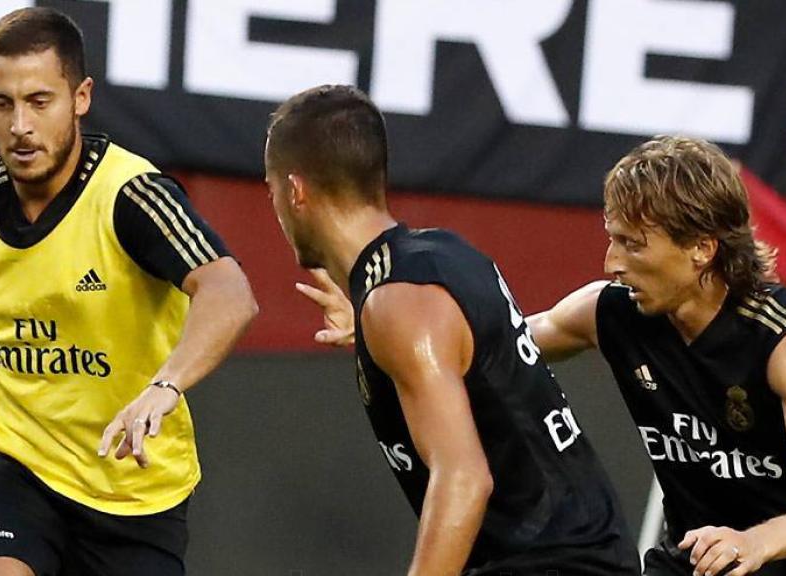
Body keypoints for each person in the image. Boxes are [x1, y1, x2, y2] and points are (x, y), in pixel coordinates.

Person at [0, 7, 257, 576]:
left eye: (40, 102)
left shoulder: (130, 195)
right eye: (3, 103)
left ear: (81, 97)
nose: (20, 125)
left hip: (131, 490)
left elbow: (228, 290)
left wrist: (166, 386)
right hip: (6, 462)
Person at [265, 84, 640, 575]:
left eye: (271, 188)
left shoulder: (400, 302)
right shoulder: (438, 256)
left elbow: (464, 478)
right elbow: (479, 358)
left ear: (296, 191)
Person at [526, 136, 786, 576]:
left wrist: (755, 542)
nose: (612, 263)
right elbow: (495, 344)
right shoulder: (607, 313)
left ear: (702, 249)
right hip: (697, 560)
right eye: (613, 239)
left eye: (634, 245)